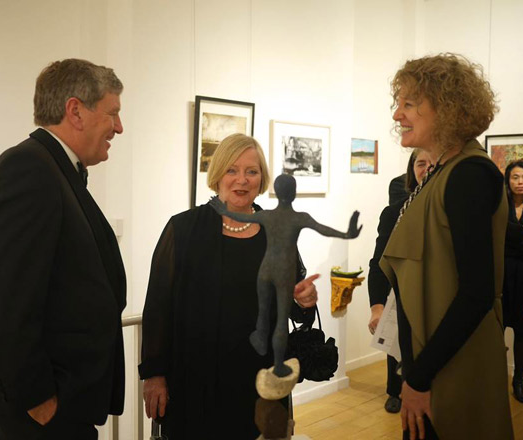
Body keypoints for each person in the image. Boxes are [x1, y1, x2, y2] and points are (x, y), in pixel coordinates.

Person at [139, 134, 319, 440]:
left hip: (260, 380)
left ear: (262, 178)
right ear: (218, 174)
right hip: (196, 379)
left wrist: (305, 301)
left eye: (252, 171)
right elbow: (158, 306)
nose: (242, 180)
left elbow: (294, 309)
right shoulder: (183, 229)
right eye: (232, 170)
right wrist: (154, 374)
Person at [0, 59, 126, 440]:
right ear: (75, 111)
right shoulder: (28, 169)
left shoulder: (57, 169)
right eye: (112, 113)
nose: (119, 127)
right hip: (45, 412)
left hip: (68, 403)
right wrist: (38, 399)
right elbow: (5, 300)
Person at [379, 53, 513, 440]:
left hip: (451, 363)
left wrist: (419, 378)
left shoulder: (468, 174)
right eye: (397, 103)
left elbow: (476, 293)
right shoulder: (440, 172)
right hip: (433, 359)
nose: (396, 115)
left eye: (407, 103)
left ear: (444, 108)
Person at [210, 173, 361, 377]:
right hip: (284, 272)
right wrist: (346, 234)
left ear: (277, 192)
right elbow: (323, 229)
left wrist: (221, 208)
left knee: (263, 314)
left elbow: (242, 217)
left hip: (266, 269)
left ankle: (261, 338)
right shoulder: (299, 218)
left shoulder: (267, 216)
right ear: (294, 193)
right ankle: (279, 364)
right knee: (281, 320)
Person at [368, 149, 431, 414]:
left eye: (432, 163)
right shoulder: (394, 212)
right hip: (402, 296)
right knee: (397, 345)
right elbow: (379, 263)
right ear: (411, 170)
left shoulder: (452, 210)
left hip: (435, 299)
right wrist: (377, 306)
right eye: (420, 163)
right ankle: (395, 391)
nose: (426, 168)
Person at [502, 160, 523, 402]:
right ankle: (493, 378)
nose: (520, 182)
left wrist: (511, 234)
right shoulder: (500, 206)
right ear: (508, 181)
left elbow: (505, 236)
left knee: (522, 331)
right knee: (496, 329)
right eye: (515, 177)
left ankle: (519, 379)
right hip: (502, 275)